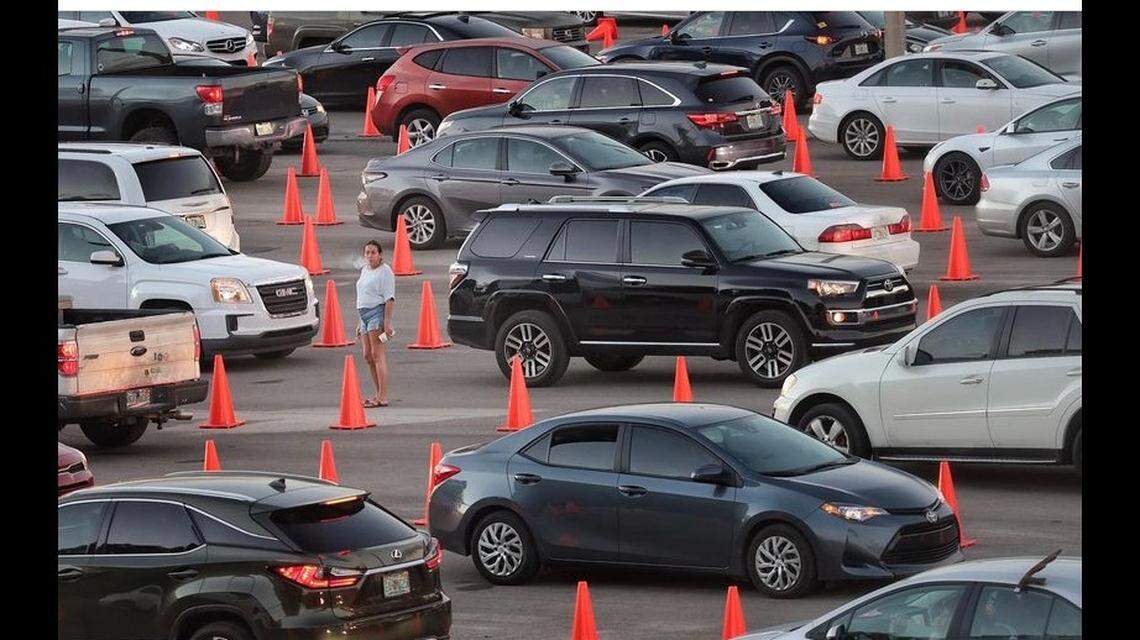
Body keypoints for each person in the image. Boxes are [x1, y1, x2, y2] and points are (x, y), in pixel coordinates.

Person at [356, 240, 395, 407]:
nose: (370, 256)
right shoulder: (365, 270)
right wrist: (359, 322)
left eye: (373, 252)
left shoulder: (385, 271)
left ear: (380, 255)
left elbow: (390, 298)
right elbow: (363, 294)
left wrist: (387, 323)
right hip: (363, 315)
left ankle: (382, 396)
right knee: (367, 355)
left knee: (377, 354)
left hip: (376, 313)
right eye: (367, 253)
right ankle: (378, 393)